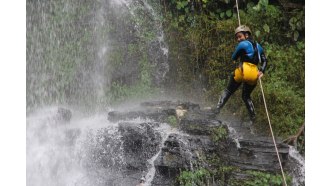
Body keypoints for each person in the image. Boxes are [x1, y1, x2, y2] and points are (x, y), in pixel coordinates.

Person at [214, 25, 267, 121]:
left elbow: (234, 57)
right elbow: (264, 60)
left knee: (228, 91)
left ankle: (216, 111)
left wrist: (240, 54)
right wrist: (262, 71)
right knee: (246, 96)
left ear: (246, 35)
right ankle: (253, 117)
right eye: (237, 37)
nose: (238, 39)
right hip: (254, 74)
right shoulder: (259, 46)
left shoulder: (242, 45)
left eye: (240, 36)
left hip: (244, 70)